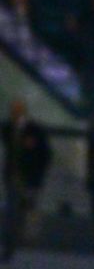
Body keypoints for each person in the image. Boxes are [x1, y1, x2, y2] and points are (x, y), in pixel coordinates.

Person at [1, 99, 52, 262]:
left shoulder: (35, 130)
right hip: (13, 179)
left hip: (29, 180)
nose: (14, 114)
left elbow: (45, 155)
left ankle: (27, 245)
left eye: (17, 111)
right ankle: (10, 248)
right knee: (12, 214)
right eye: (13, 110)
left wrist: (38, 175)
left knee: (28, 213)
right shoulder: (8, 128)